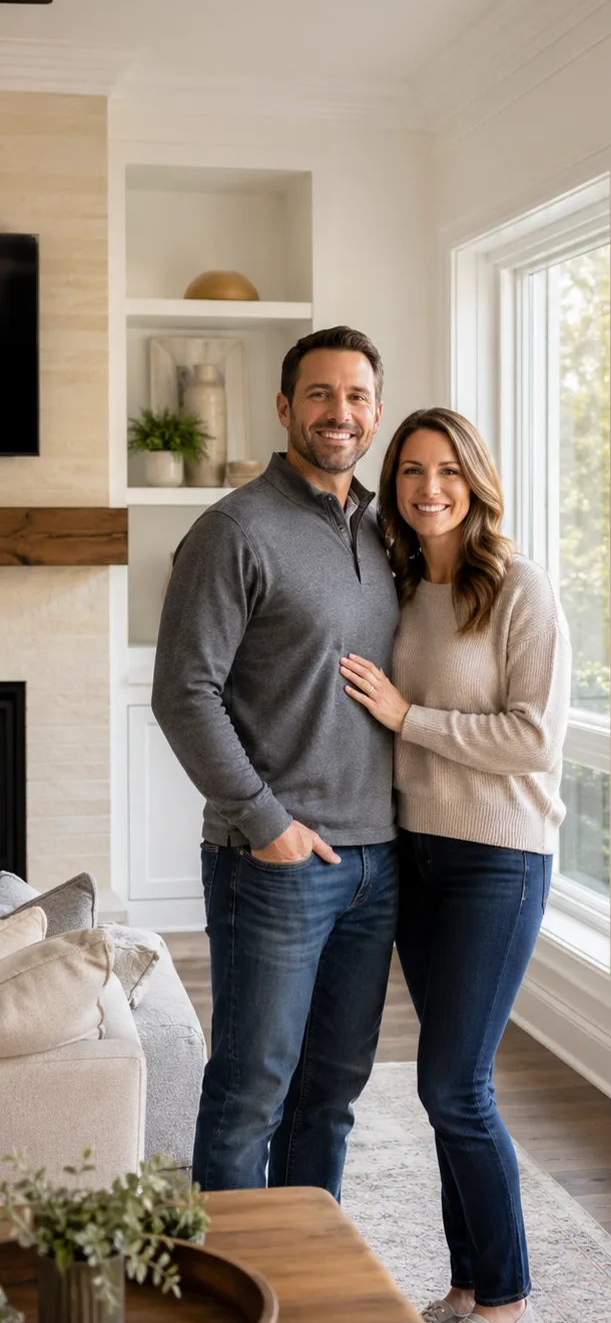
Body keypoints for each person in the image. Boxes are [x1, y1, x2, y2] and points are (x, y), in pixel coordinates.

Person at [340, 407, 569, 1323]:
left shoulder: (518, 590)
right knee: (449, 1086)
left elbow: (534, 738)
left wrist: (410, 716)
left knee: (455, 1085)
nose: (428, 488)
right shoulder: (397, 586)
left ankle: (510, 1303)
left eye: (447, 472)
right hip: (415, 856)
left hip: (498, 859)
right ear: (392, 487)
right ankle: (468, 1288)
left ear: (475, 481)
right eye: (410, 473)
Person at [151, 325, 399, 1198]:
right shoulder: (234, 530)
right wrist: (268, 825)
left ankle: (306, 1274)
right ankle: (234, 1300)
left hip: (377, 861)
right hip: (274, 861)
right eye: (322, 395)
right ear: (286, 407)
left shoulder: (388, 532)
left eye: (358, 396)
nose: (341, 413)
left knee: (331, 1093)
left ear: (376, 411)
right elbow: (183, 693)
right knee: (252, 1091)